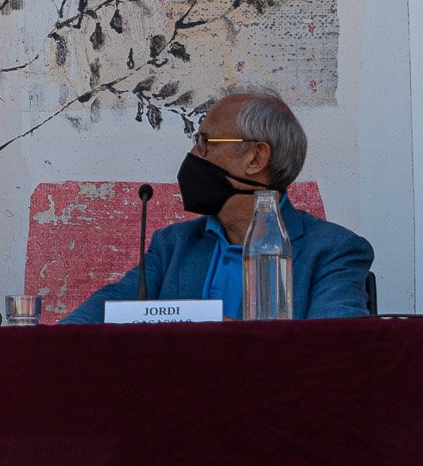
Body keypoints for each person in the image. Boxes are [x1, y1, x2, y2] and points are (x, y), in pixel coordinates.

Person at [62, 88, 374, 322]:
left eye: (205, 142)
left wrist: (227, 341)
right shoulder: (172, 245)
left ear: (255, 158)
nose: (193, 155)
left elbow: (337, 352)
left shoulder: (334, 251)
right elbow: (110, 307)